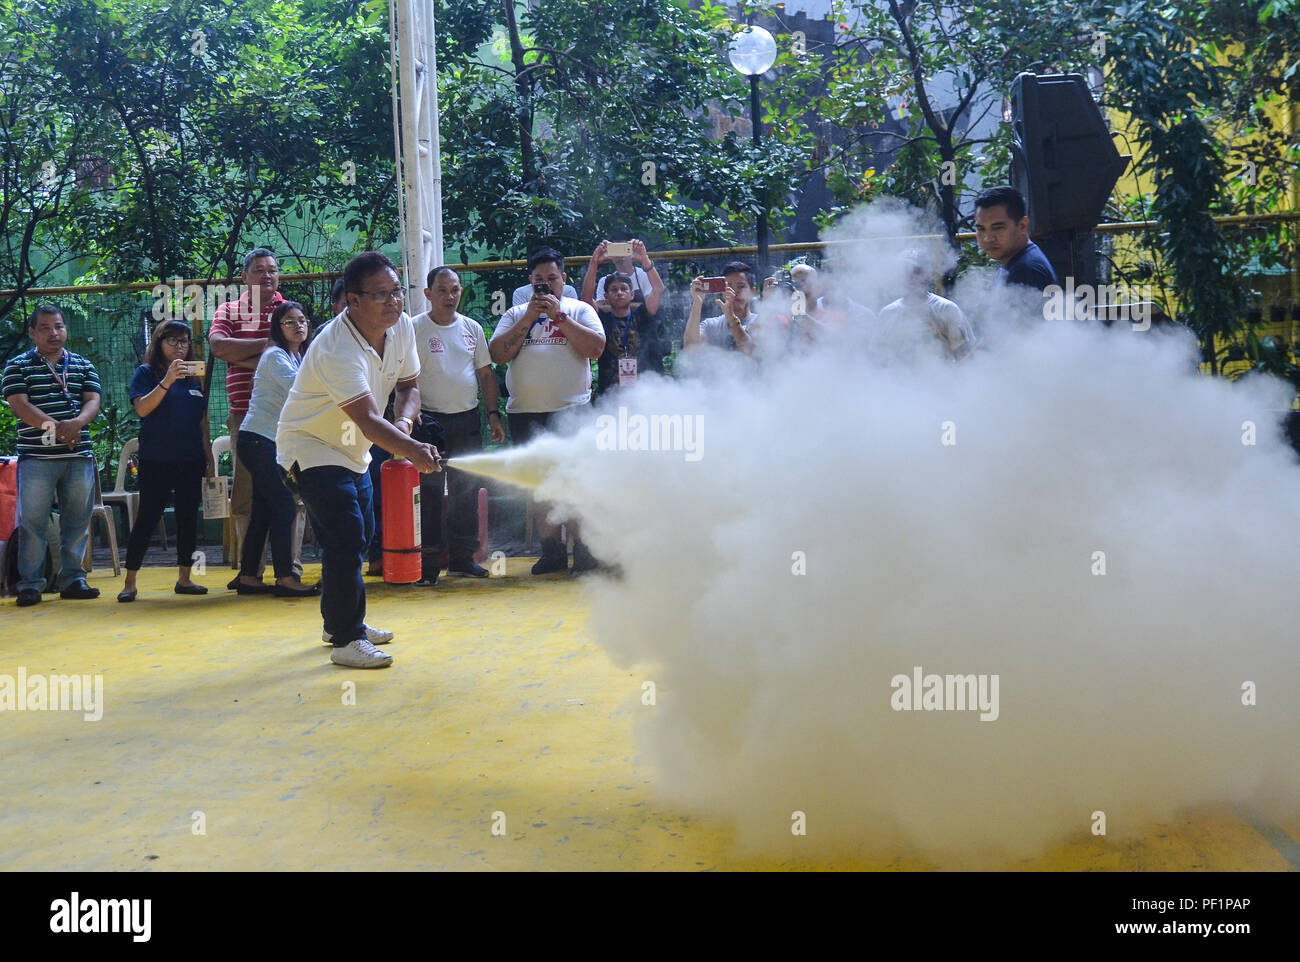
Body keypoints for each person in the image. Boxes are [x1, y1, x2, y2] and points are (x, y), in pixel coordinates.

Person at [276, 251, 441, 668]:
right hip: (307, 446)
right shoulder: (335, 346)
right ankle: (347, 641)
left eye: (397, 291)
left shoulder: (400, 327)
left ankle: (340, 624)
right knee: (346, 535)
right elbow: (368, 419)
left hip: (353, 450)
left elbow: (409, 385)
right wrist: (415, 450)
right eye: (381, 294)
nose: (394, 301)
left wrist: (404, 422)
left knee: (360, 532)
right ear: (353, 300)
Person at [488, 247, 606, 575]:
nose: (545, 285)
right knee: (538, 485)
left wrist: (559, 317)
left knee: (577, 483)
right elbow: (497, 354)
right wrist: (529, 317)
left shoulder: (579, 309)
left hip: (571, 410)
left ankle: (584, 552)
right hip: (525, 413)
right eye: (538, 280)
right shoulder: (514, 314)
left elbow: (596, 349)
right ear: (530, 282)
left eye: (551, 279)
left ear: (563, 279)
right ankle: (551, 551)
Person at [208, 247, 305, 585]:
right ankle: (251, 571)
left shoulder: (288, 312)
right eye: (259, 270)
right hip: (246, 418)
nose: (267, 276)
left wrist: (249, 354)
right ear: (244, 277)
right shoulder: (230, 309)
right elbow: (219, 347)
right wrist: (270, 346)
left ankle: (289, 567)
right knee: (248, 496)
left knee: (288, 496)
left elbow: (299, 356)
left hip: (289, 420)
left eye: (273, 270)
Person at [410, 266, 505, 585]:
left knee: (466, 491)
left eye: (455, 290)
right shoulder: (413, 329)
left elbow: (486, 375)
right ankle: (428, 564)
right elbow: (403, 379)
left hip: (468, 418)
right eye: (442, 290)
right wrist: (409, 417)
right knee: (430, 493)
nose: (449, 297)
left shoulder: (473, 328)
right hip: (429, 421)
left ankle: (463, 558)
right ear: (428, 294)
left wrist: (493, 414)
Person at [2, 306, 102, 606]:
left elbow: (93, 401)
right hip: (36, 458)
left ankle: (73, 579)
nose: (54, 333)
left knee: (77, 520)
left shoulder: (83, 365)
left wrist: (77, 424)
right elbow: (19, 405)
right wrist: (58, 429)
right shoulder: (17, 366)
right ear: (32, 332)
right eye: (45, 328)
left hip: (79, 455)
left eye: (58, 326)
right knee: (33, 522)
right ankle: (30, 584)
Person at [117, 321, 213, 601]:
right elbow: (143, 409)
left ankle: (185, 579)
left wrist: (208, 458)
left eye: (184, 341)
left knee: (187, 519)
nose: (179, 346)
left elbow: (202, 423)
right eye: (172, 341)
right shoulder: (146, 373)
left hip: (190, 458)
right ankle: (130, 582)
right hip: (157, 459)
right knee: (147, 518)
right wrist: (167, 380)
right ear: (159, 342)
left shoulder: (194, 377)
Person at [233, 301, 319, 598]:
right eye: (290, 321)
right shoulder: (275, 357)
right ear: (277, 328)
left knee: (264, 509)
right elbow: (301, 391)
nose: (299, 325)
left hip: (267, 442)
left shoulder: (294, 357)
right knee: (284, 503)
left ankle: (248, 577)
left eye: (302, 320)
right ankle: (285, 577)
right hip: (260, 441)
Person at [580, 263, 666, 396]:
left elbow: (658, 289)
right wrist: (594, 263)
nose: (619, 293)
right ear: (606, 296)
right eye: (614, 290)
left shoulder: (643, 313)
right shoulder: (601, 318)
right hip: (610, 392)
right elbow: (585, 298)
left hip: (646, 389)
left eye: (623, 289)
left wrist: (644, 259)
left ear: (632, 294)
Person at [875, 250, 977, 362]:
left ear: (930, 275)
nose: (912, 277)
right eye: (905, 271)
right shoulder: (888, 313)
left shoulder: (946, 309)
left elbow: (965, 357)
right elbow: (880, 360)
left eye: (918, 271)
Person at [972, 186, 1060, 292]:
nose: (988, 238)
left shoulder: (1026, 271)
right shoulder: (1014, 263)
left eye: (998, 228)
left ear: (1022, 226)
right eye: (981, 229)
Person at [683, 260, 758, 355]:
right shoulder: (711, 325)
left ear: (753, 291)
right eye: (729, 287)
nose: (734, 291)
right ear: (722, 291)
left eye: (741, 286)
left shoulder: (761, 322)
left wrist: (731, 318)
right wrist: (697, 303)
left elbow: (754, 353)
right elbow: (691, 348)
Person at [590, 235, 657, 308]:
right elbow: (600, 307)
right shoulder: (604, 280)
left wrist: (614, 306)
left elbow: (652, 304)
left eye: (624, 249)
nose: (620, 255)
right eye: (616, 250)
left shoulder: (645, 275)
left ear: (632, 251)